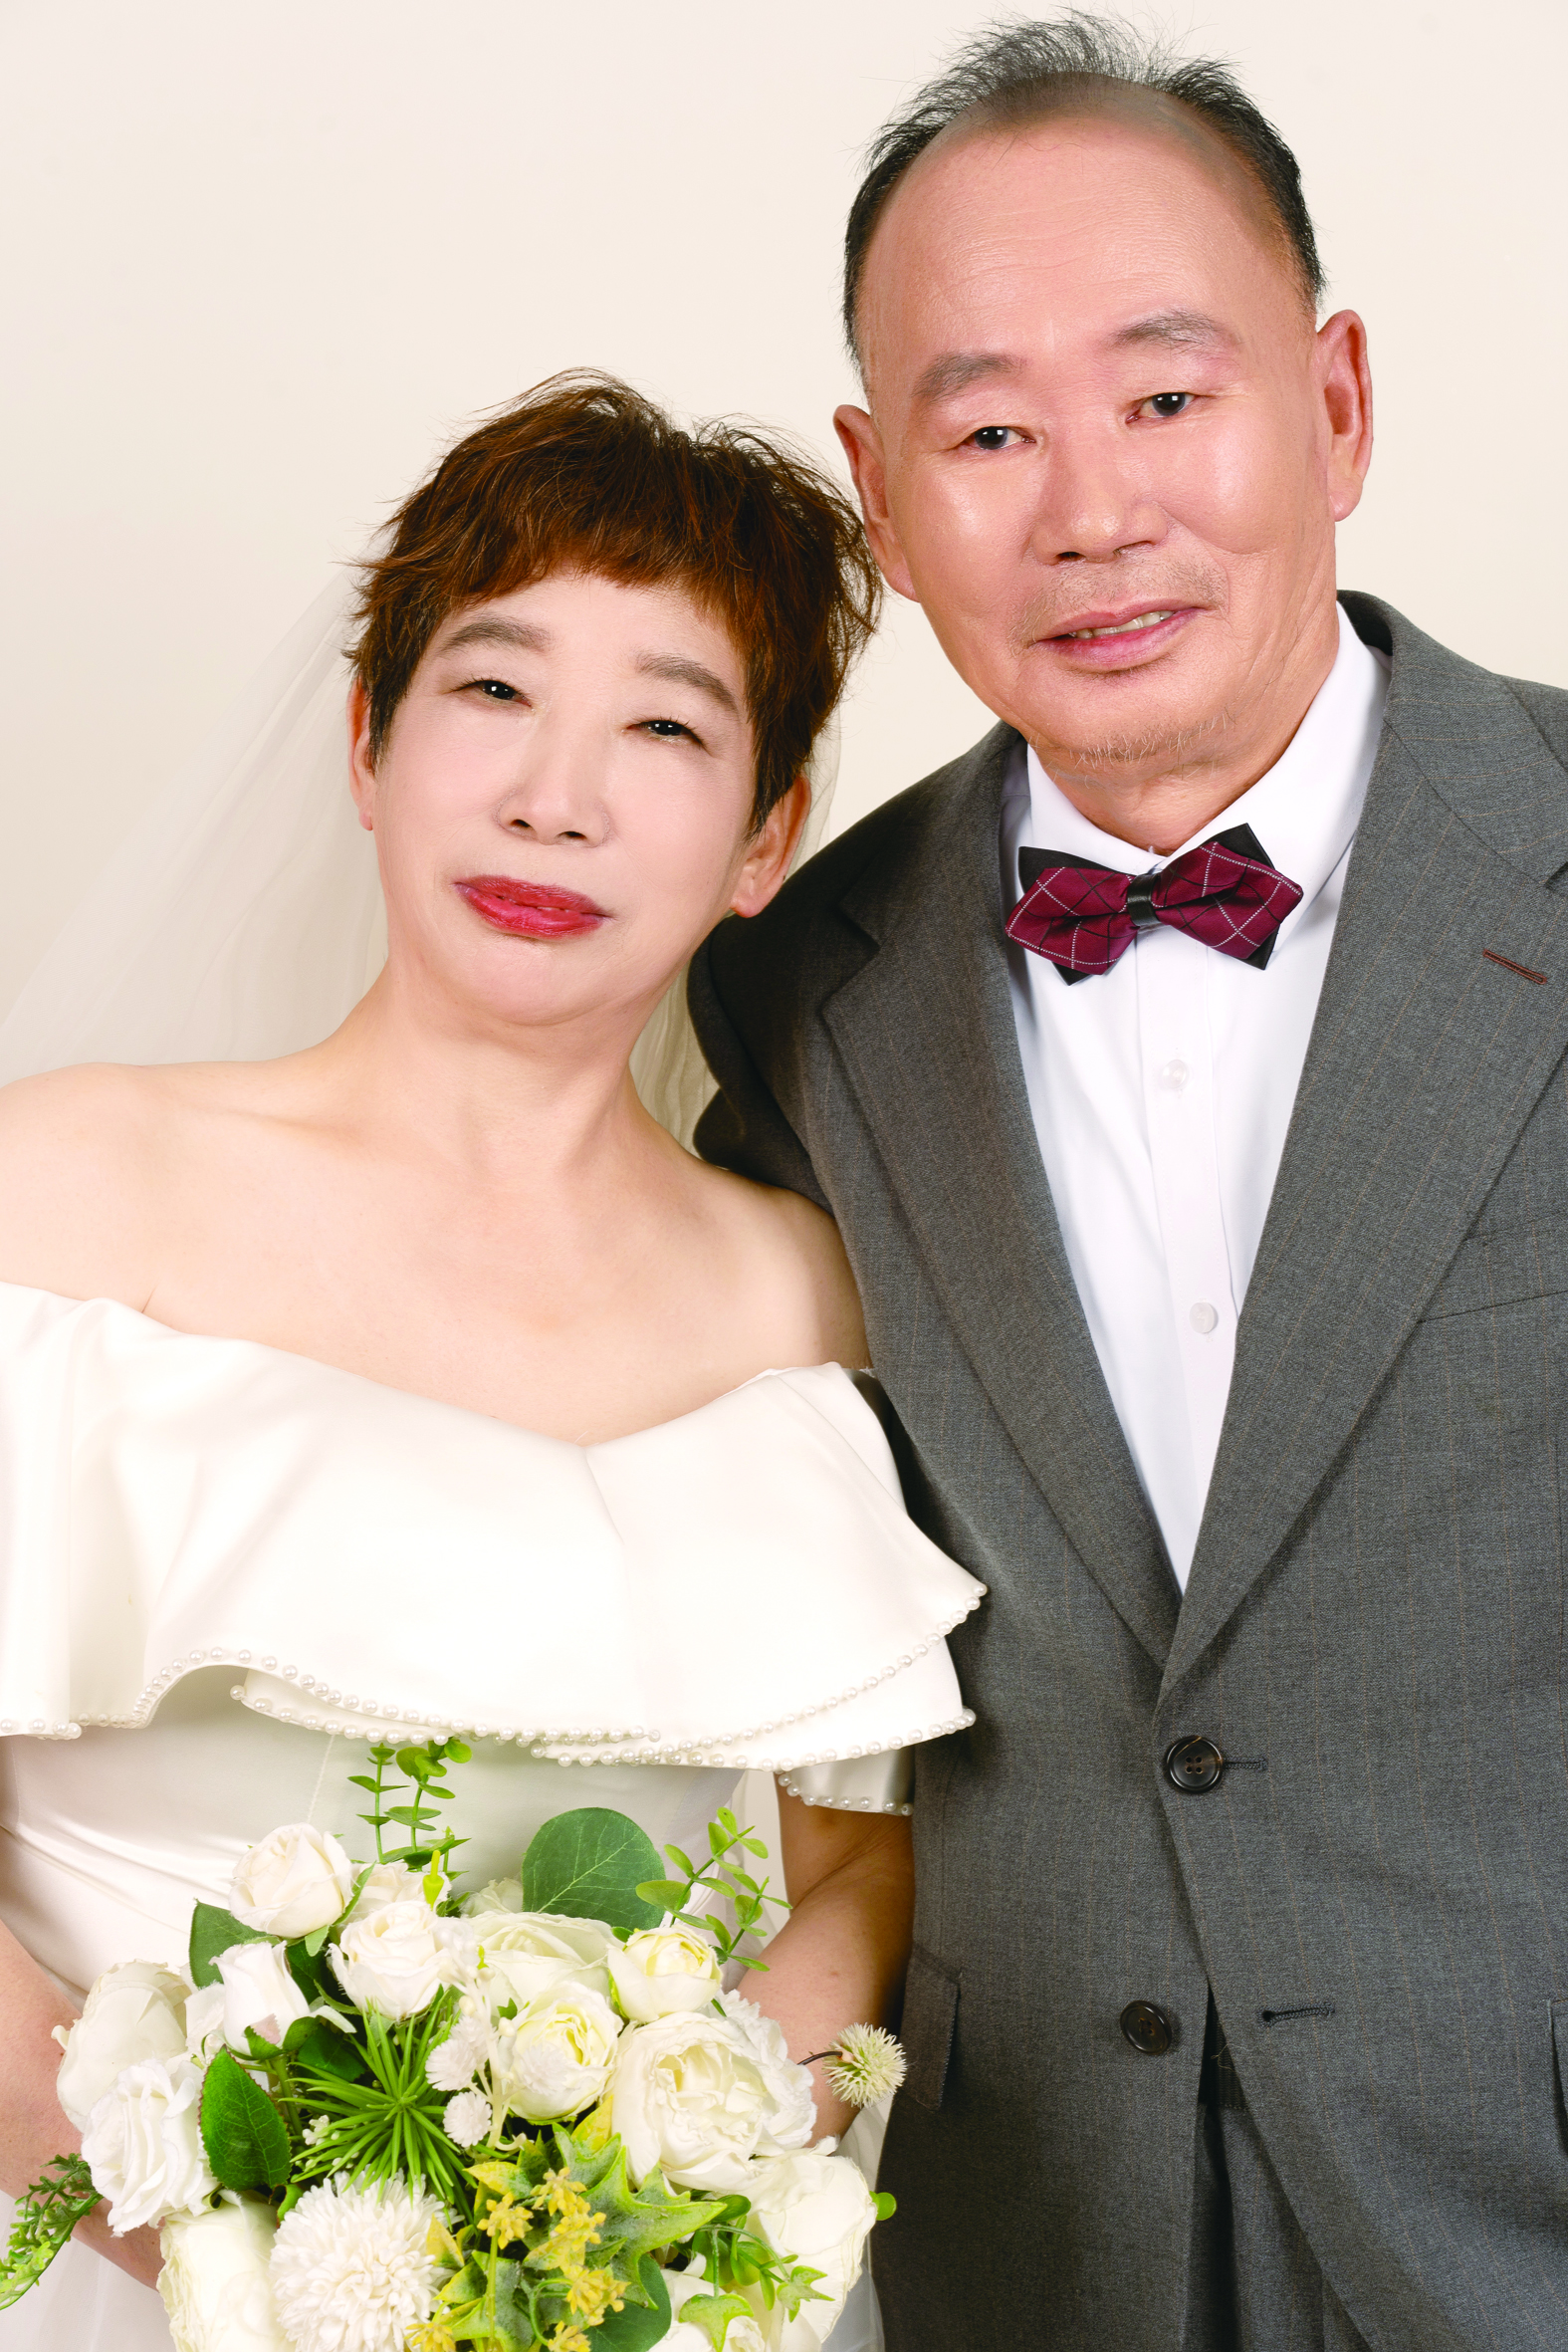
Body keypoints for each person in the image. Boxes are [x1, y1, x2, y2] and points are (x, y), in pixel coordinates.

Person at [690, 18, 1568, 2352]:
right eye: (988, 433)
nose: (1089, 512)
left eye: (1165, 396)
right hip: (1026, 2239)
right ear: (882, 498)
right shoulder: (788, 993)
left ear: (1336, 404)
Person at [0, 373, 985, 2348]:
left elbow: (855, 1864)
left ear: (768, 835)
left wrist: (665, 2209)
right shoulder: (69, 1184)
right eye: (494, 689)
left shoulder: (808, 1297)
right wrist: (235, 2261)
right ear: (368, 743)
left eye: (665, 727)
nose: (557, 795)